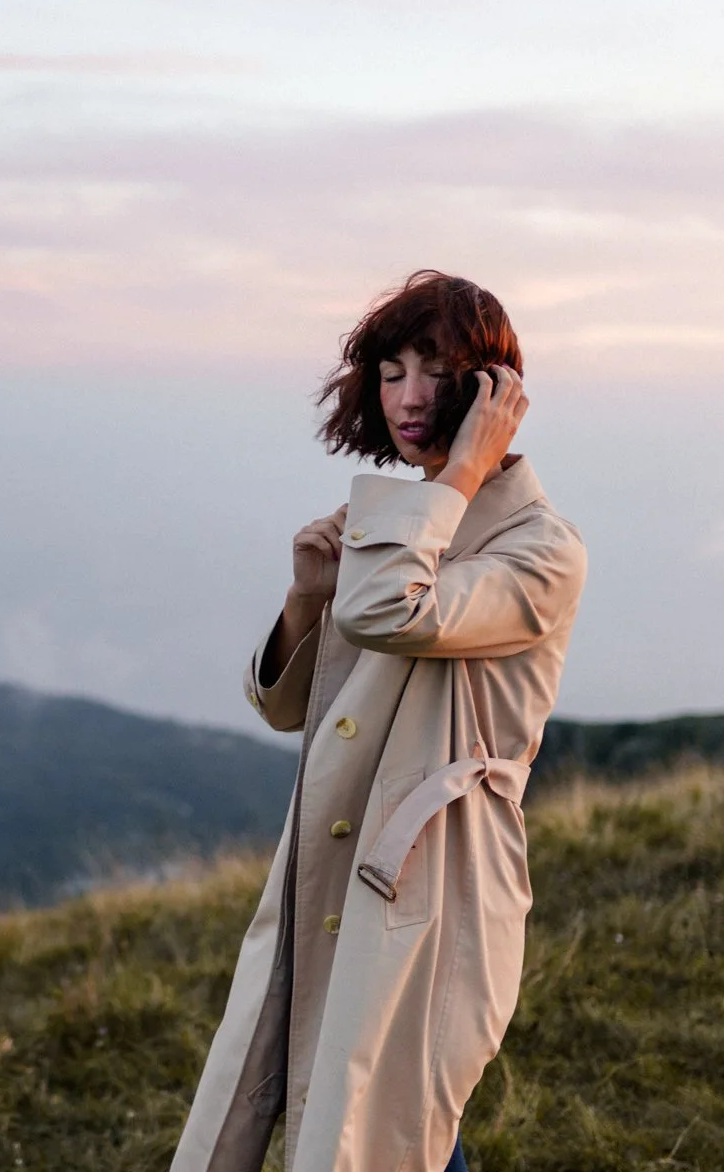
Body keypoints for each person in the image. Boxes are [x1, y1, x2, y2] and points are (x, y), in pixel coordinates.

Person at [169, 271, 588, 1172]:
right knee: (360, 1113)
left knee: (392, 1117)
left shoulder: (541, 549)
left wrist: (462, 472)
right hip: (343, 853)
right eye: (391, 373)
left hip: (438, 875)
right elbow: (291, 709)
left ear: (491, 391)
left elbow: (393, 613)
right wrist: (304, 599)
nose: (407, 397)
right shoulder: (408, 527)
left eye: (434, 371)